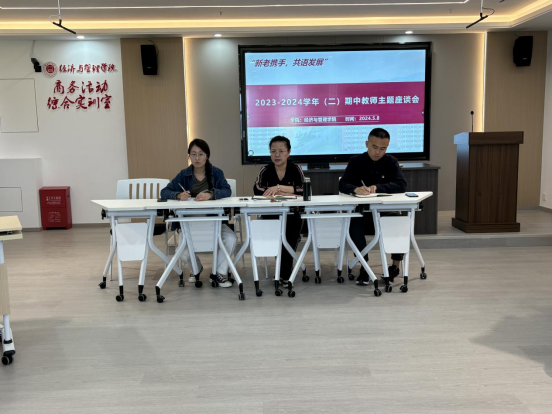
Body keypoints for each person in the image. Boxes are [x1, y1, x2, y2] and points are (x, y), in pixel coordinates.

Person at [161, 139, 237, 288]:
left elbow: (227, 190)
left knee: (231, 239)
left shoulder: (216, 172)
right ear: (189, 156)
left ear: (207, 156)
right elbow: (164, 192)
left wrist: (211, 194)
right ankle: (196, 268)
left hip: (213, 220)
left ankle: (218, 272)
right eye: (193, 154)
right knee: (182, 251)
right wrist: (178, 195)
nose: (197, 158)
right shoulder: (183, 174)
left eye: (201, 154)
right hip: (188, 222)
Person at [339, 127, 407, 286]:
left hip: (385, 211)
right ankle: (364, 266)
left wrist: (378, 188)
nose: (378, 152)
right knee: (353, 224)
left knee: (398, 221)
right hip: (363, 211)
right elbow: (343, 184)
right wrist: (355, 189)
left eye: (383, 148)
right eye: (374, 147)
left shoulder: (391, 162)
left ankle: (395, 266)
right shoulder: (356, 161)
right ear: (367, 144)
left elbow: (401, 185)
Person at [253, 136, 305, 287]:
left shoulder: (296, 169)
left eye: (281, 151)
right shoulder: (265, 170)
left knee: (289, 238)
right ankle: (284, 274)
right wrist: (288, 192)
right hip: (271, 214)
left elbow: (303, 189)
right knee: (278, 240)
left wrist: (278, 188)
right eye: (273, 151)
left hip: (292, 213)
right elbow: (257, 189)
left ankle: (283, 274)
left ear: (288, 152)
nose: (277, 155)